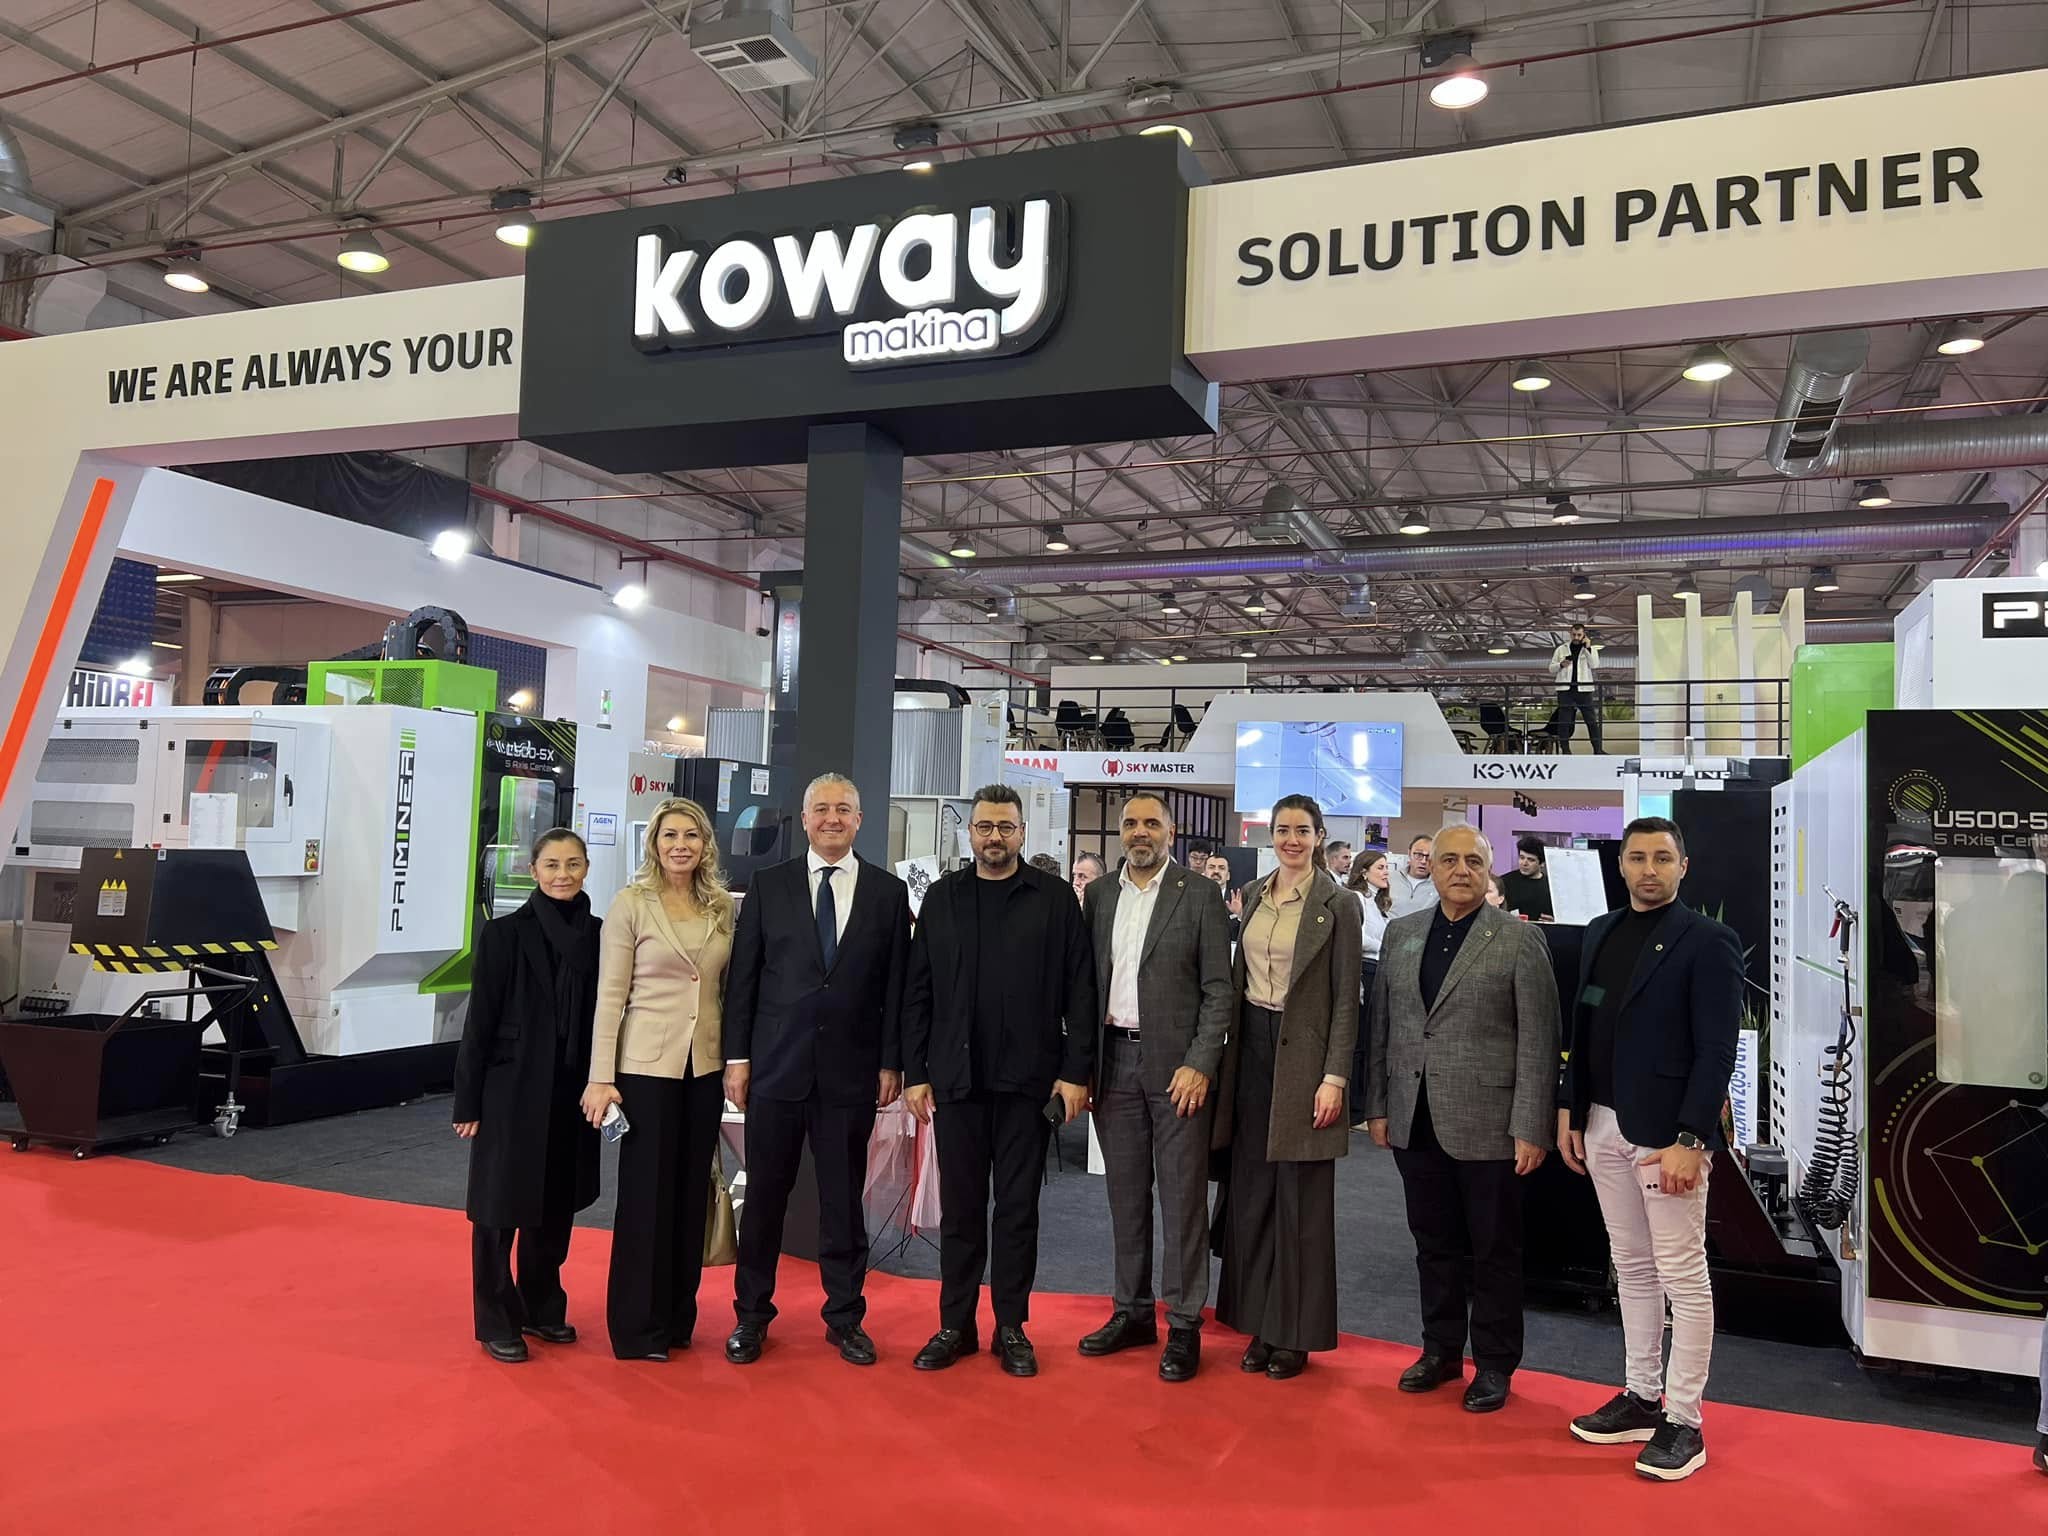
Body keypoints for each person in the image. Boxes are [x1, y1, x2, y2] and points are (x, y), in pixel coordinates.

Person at [1558, 817, 1741, 1483]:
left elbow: (1717, 1049)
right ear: (1622, 865)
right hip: (1601, 1123)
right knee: (1630, 1267)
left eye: (1662, 858)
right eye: (1637, 857)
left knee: (1682, 1276)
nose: (1649, 869)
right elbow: (1583, 1025)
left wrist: (1692, 1137)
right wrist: (1570, 1108)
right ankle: (1641, 1397)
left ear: (1683, 866)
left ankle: (1684, 1420)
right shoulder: (1601, 931)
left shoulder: (1709, 941)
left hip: (1668, 1136)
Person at [903, 783, 1097, 1377]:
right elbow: (917, 991)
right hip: (957, 1081)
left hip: (1028, 1084)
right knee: (961, 1210)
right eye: (985, 826)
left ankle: (1011, 1326)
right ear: (970, 833)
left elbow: (1081, 991)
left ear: (1022, 832)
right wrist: (915, 1073)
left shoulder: (1054, 899)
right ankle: (955, 1326)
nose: (994, 837)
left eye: (1005, 827)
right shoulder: (943, 898)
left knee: (1017, 1210)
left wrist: (1075, 1073)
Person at [1366, 823, 1560, 1413]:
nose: (1459, 870)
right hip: (1414, 1116)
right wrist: (1378, 1105)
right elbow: (1384, 1027)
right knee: (1433, 1244)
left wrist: (1531, 1125)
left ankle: (1495, 1363)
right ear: (1432, 866)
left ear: (1488, 868)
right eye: (1448, 859)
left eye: (1472, 861)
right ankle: (1441, 1349)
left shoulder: (1519, 940)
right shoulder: (1402, 934)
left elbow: (1540, 1039)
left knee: (1494, 1251)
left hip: (1491, 1123)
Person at [723, 774, 911, 1369]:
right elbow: (744, 979)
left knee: (843, 1203)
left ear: (859, 820)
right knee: (764, 1199)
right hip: (775, 1069)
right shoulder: (768, 885)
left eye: (843, 809)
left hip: (851, 1073)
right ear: (803, 819)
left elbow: (896, 987)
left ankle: (846, 1317)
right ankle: (751, 1316)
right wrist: (737, 1058)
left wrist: (891, 1061)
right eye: (822, 809)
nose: (832, 818)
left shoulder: (887, 892)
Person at [1078, 793, 1234, 1382]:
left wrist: (1200, 1063)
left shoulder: (1200, 895)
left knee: (1183, 1199)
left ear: (1171, 831)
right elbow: (1085, 985)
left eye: (1151, 823)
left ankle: (1185, 1324)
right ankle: (1133, 1312)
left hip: (1178, 1071)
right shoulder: (1100, 895)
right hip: (1113, 1061)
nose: (1139, 832)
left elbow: (1219, 990)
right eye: (1130, 824)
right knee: (1125, 1197)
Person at [1214, 795, 1361, 1379]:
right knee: (1251, 1192)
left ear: (1319, 836)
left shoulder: (1339, 904)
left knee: (1300, 1198)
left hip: (1306, 1058)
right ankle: (1257, 1322)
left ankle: (1293, 1333)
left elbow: (1347, 999)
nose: (1291, 840)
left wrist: (1334, 1077)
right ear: (1269, 835)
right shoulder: (1252, 894)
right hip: (1250, 1049)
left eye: (1303, 830)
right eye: (1282, 830)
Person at [582, 798, 734, 1361]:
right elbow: (610, 997)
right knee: (646, 1197)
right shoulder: (630, 904)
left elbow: (722, 989)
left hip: (704, 1068)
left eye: (690, 835)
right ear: (654, 843)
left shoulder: (721, 905)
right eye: (670, 835)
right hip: (644, 1069)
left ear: (705, 844)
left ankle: (675, 1319)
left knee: (690, 1194)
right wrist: (600, 1078)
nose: (680, 845)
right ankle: (636, 1326)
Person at [452, 829, 603, 1363]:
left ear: (587, 869)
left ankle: (542, 1307)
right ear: (534, 871)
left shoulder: (601, 935)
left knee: (555, 1205)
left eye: (573, 864)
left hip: (574, 1091)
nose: (563, 874)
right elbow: (479, 1023)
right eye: (552, 865)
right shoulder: (504, 934)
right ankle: (497, 1318)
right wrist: (468, 1101)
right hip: (510, 1091)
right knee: (499, 1208)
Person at [1345, 849, 1394, 1130]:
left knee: (1373, 1041)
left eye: (1387, 867)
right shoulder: (1356, 899)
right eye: (1380, 867)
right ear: (1364, 872)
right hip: (1364, 972)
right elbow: (1358, 937)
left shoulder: (1379, 904)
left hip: (1379, 971)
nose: (1386, 872)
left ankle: (1364, 1106)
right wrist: (1386, 945)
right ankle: (1355, 1110)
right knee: (1361, 1042)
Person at [1549, 621, 1605, 753]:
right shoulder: (1561, 649)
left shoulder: (1590, 649)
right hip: (1565, 690)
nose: (1576, 637)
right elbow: (1551, 668)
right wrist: (1561, 664)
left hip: (1584, 690)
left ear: (1584, 635)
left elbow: (1594, 665)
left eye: (1579, 635)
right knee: (1564, 722)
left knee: (1591, 721)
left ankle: (1598, 750)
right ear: (1570, 633)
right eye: (1573, 634)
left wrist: (1588, 648)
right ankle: (1565, 750)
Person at [1500, 837, 1555, 922]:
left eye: (1531, 860)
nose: (1524, 863)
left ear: (1542, 863)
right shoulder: (1504, 881)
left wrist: (1553, 922)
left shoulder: (1551, 886)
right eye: (1522, 857)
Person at [1390, 833, 1438, 917]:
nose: (1423, 861)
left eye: (1429, 856)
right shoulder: (1390, 879)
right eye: (1419, 855)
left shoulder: (1439, 886)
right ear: (1409, 853)